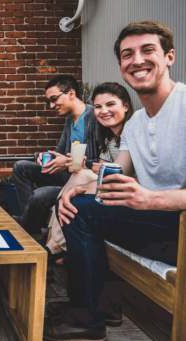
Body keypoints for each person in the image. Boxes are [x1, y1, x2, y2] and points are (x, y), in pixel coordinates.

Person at [47, 21, 186, 341]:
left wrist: (153, 199)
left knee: (85, 212)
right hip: (168, 224)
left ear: (169, 57)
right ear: (120, 66)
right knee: (77, 203)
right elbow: (114, 177)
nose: (136, 60)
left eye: (148, 50)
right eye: (127, 54)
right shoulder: (136, 123)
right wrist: (80, 188)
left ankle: (87, 318)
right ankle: (97, 305)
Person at [46, 82, 134, 257]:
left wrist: (85, 164)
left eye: (110, 105)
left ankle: (53, 245)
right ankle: (54, 245)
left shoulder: (133, 130)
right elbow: (100, 165)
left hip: (131, 190)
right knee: (74, 181)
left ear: (125, 106)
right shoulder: (108, 138)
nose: (103, 111)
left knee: (76, 184)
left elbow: (113, 170)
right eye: (98, 107)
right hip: (106, 184)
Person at [12, 75, 98, 237]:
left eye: (54, 99)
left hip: (83, 179)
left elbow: (97, 160)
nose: (51, 105)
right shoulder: (70, 120)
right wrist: (44, 155)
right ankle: (29, 222)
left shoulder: (94, 117)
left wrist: (67, 162)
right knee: (21, 167)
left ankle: (28, 228)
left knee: (40, 195)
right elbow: (59, 151)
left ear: (71, 93)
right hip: (67, 173)